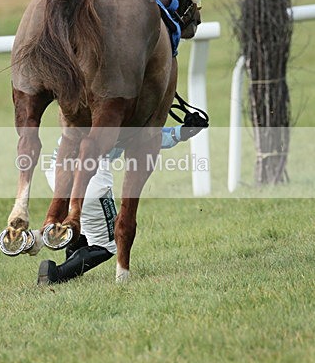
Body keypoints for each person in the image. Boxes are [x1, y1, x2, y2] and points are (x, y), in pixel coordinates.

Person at [37, 118, 206, 285]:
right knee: (108, 245)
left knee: (86, 224)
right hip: (92, 178)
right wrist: (181, 132)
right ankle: (56, 275)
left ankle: (70, 267)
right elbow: (149, 136)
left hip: (56, 171)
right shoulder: (122, 107)